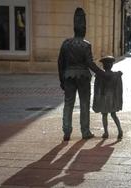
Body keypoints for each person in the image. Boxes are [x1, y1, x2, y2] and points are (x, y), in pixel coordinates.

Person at [58, 7, 106, 141]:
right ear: (84, 29)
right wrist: (101, 73)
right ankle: (85, 131)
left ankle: (67, 131)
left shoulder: (66, 43)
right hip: (83, 77)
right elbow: (90, 63)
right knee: (84, 103)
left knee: (68, 104)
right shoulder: (86, 45)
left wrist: (61, 79)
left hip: (68, 76)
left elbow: (60, 63)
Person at [93, 56, 123, 139]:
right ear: (111, 65)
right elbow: (119, 89)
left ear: (103, 66)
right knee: (114, 115)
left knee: (104, 115)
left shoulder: (100, 76)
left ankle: (106, 132)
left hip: (103, 97)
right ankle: (120, 130)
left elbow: (97, 88)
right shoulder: (116, 75)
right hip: (112, 98)